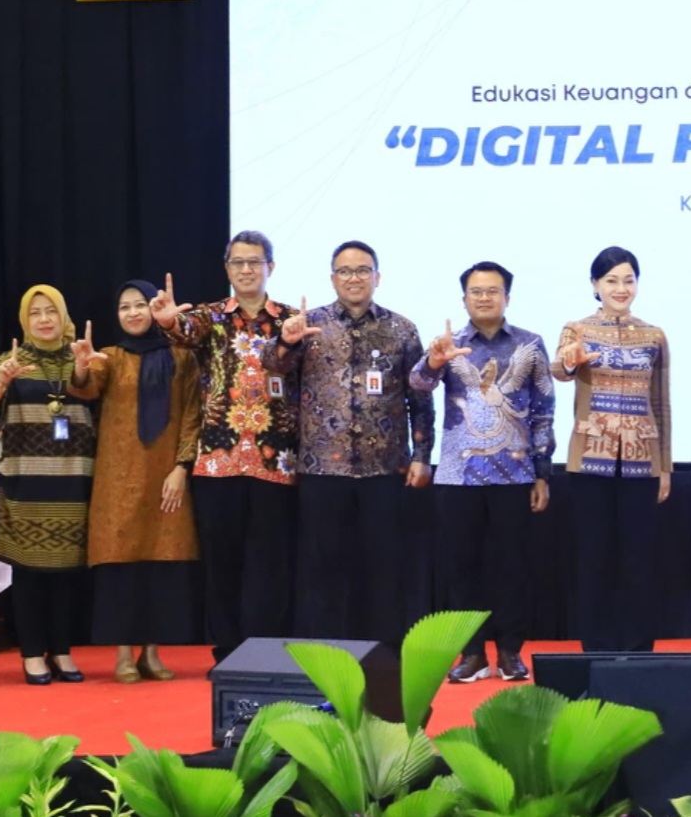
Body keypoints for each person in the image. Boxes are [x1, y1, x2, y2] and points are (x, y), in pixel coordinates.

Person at [263, 241, 432, 641]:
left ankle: (385, 654)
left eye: (362, 270)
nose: (353, 278)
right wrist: (286, 341)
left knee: (384, 568)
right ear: (332, 278)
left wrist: (423, 454)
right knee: (323, 570)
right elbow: (273, 367)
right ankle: (326, 655)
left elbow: (419, 397)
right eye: (344, 271)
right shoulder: (310, 325)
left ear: (377, 276)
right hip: (323, 468)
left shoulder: (402, 328)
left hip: (385, 468)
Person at [153, 231, 297, 660]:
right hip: (218, 459)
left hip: (276, 460)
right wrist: (167, 320)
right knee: (223, 562)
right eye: (238, 262)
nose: (246, 269)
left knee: (271, 562)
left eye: (255, 262)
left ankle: (267, 650)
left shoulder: (290, 320)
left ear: (271, 266)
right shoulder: (210, 317)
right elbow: (182, 331)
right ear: (227, 269)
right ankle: (230, 651)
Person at [415, 261, 554, 683]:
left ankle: (510, 652)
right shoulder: (450, 344)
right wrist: (433, 363)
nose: (484, 298)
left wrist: (542, 472)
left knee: (512, 566)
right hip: (459, 474)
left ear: (506, 297)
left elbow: (544, 410)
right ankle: (472, 653)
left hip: (515, 473)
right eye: (476, 291)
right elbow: (418, 385)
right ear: (464, 299)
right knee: (461, 568)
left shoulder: (530, 344)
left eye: (492, 291)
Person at [74, 280, 201, 681]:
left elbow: (192, 414)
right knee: (121, 566)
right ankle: (123, 655)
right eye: (124, 307)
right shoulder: (110, 357)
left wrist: (181, 467)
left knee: (159, 566)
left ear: (154, 309)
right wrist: (81, 366)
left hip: (166, 477)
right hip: (117, 478)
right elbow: (86, 388)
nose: (132, 313)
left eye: (140, 305)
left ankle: (152, 653)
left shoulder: (182, 357)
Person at [553, 246, 674, 651]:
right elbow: (559, 370)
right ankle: (596, 647)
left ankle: (638, 648)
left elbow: (661, 403)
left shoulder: (654, 335)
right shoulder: (577, 330)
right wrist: (570, 361)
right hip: (590, 461)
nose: (621, 288)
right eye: (611, 280)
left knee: (639, 559)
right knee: (594, 558)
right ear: (595, 285)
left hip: (642, 461)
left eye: (628, 280)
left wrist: (665, 467)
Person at [0, 286, 95, 683]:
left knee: (66, 571)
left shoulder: (82, 358)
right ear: (24, 320)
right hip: (25, 477)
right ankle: (31, 653)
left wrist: (83, 370)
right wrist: (0, 385)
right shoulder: (9, 361)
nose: (44, 319)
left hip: (74, 476)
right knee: (29, 571)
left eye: (51, 311)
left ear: (64, 316)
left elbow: (97, 402)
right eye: (35, 313)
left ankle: (61, 651)